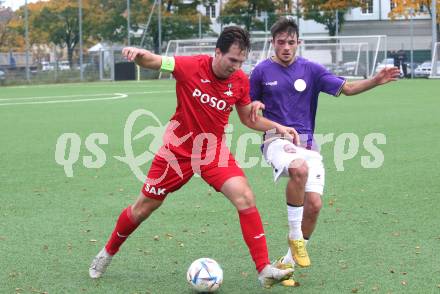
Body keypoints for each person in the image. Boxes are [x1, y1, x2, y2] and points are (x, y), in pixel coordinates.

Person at [88, 26, 297, 288]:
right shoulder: (190, 66)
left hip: (212, 152)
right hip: (177, 151)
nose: (236, 66)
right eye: (232, 60)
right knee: (143, 208)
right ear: (217, 52)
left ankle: (264, 269)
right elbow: (154, 61)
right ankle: (107, 252)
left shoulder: (240, 81)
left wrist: (276, 127)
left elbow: (247, 118)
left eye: (241, 62)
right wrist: (138, 54)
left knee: (245, 196)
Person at [249, 17, 400, 286]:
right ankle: (296, 236)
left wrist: (376, 80)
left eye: (291, 42)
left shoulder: (312, 70)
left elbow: (348, 88)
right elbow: (249, 112)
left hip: (308, 143)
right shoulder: (261, 72)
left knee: (315, 205)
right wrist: (256, 107)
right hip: (275, 140)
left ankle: (286, 262)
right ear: (272, 43)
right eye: (281, 42)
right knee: (298, 168)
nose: (286, 47)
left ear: (299, 43)